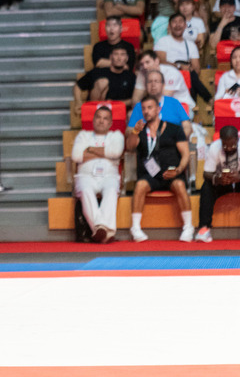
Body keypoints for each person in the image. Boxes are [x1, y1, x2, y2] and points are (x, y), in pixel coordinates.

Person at [124, 95, 192, 242]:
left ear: (158, 109)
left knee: (180, 185)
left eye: (150, 108)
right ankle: (135, 227)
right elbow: (129, 147)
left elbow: (186, 154)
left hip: (172, 172)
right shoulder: (139, 130)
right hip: (150, 175)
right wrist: (134, 132)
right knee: (140, 185)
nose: (146, 111)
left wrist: (178, 170)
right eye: (143, 109)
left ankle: (188, 227)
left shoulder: (174, 129)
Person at [72, 106, 125, 243]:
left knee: (111, 190)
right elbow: (76, 156)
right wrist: (106, 152)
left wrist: (89, 150)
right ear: (93, 120)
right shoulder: (83, 135)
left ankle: (99, 230)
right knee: (85, 189)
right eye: (98, 117)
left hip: (109, 176)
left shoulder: (117, 135)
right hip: (86, 176)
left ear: (110, 123)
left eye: (105, 118)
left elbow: (116, 152)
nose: (101, 121)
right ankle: (104, 231)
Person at [197, 126, 240, 243]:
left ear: (237, 139)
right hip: (223, 182)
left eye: (232, 145)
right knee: (206, 187)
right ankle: (203, 229)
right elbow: (206, 174)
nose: (229, 148)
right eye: (225, 146)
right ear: (221, 140)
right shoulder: (215, 147)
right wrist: (218, 179)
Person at [131, 52, 194, 131]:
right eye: (142, 64)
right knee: (132, 115)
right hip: (153, 106)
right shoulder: (142, 73)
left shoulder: (171, 72)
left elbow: (162, 96)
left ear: (157, 61)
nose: (145, 66)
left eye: (147, 62)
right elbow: (135, 101)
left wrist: (146, 89)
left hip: (180, 104)